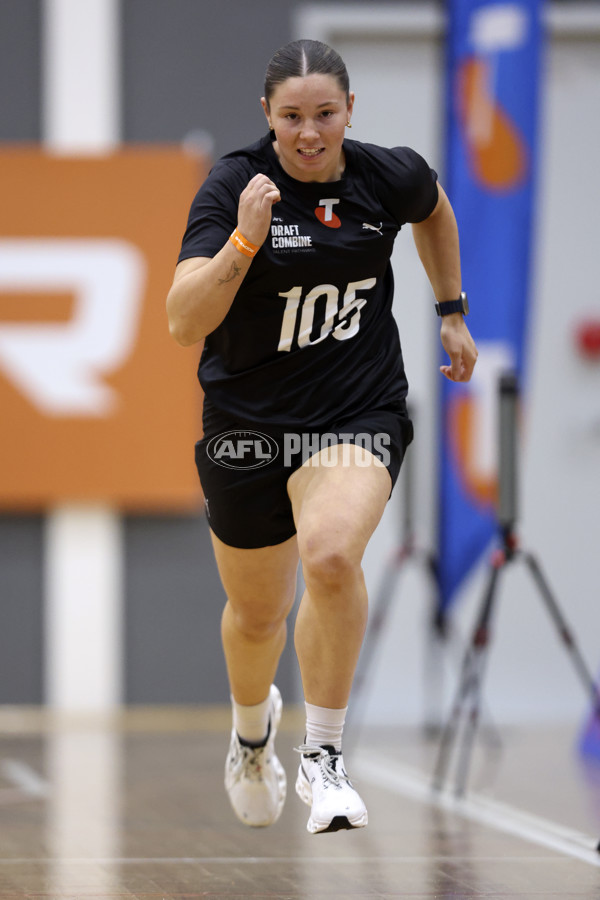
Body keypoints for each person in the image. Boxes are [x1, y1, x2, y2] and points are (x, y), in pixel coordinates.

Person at [167, 39, 478, 834]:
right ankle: (249, 734)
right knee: (257, 615)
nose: (310, 133)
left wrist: (451, 311)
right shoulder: (235, 185)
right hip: (248, 428)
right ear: (267, 116)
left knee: (333, 553)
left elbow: (434, 208)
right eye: (293, 117)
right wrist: (243, 241)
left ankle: (326, 758)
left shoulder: (386, 174)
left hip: (356, 411)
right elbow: (181, 322)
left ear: (350, 112)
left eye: (325, 115)